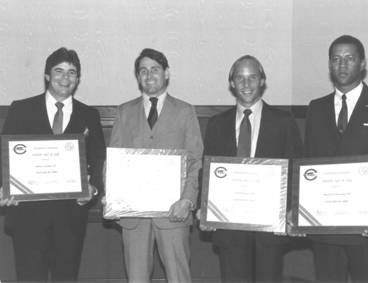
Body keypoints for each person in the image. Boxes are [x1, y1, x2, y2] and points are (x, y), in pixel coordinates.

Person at [0, 47, 106, 281]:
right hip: (28, 217)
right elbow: (4, 155)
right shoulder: (21, 109)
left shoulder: (89, 115)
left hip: (69, 220)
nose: (65, 78)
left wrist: (94, 190)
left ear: (78, 79)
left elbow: (99, 160)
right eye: (59, 71)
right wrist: (5, 187)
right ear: (47, 75)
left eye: (72, 72)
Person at [304, 35, 368, 282]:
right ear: (329, 65)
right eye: (336, 59)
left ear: (363, 63)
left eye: (349, 59)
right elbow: (307, 165)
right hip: (325, 228)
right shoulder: (315, 108)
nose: (342, 65)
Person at [202, 55, 302, 282]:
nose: (246, 84)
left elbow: (296, 169)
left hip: (270, 229)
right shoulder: (217, 124)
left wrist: (289, 211)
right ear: (232, 83)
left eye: (252, 77)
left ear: (262, 81)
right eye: (240, 78)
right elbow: (207, 171)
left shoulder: (283, 122)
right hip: (229, 229)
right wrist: (204, 209)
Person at [108, 48, 203, 283]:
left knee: (178, 277)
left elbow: (195, 160)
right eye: (143, 71)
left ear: (167, 73)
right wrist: (111, 197)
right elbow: (114, 161)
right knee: (136, 278)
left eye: (155, 69)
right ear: (138, 77)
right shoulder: (124, 112)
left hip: (174, 212)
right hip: (133, 215)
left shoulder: (185, 111)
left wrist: (188, 200)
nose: (149, 75)